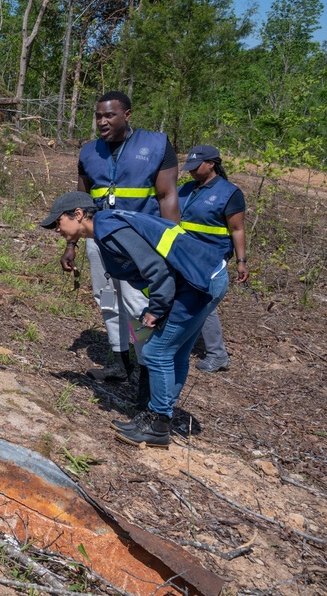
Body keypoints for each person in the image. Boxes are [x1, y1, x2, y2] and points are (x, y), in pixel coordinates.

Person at [42, 192, 228, 447]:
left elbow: (156, 269)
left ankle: (157, 425)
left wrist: (159, 307)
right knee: (176, 354)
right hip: (204, 277)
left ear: (78, 214)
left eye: (58, 222)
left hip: (199, 282)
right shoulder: (107, 226)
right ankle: (157, 418)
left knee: (157, 352)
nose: (56, 229)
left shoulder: (108, 227)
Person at [62, 91, 180, 406]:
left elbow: (168, 197)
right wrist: (71, 244)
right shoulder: (89, 152)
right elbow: (80, 202)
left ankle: (147, 375)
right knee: (107, 300)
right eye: (98, 115)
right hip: (97, 239)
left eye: (109, 116)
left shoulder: (156, 145)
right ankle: (120, 363)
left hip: (138, 242)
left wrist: (173, 245)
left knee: (138, 305)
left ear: (127, 115)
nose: (102, 121)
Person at [178, 145, 249, 372]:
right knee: (193, 300)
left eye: (196, 167)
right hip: (183, 255)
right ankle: (210, 351)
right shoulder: (186, 189)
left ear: (211, 164)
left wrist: (241, 261)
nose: (191, 172)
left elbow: (237, 229)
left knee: (203, 303)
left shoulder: (229, 193)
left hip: (210, 257)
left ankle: (217, 355)